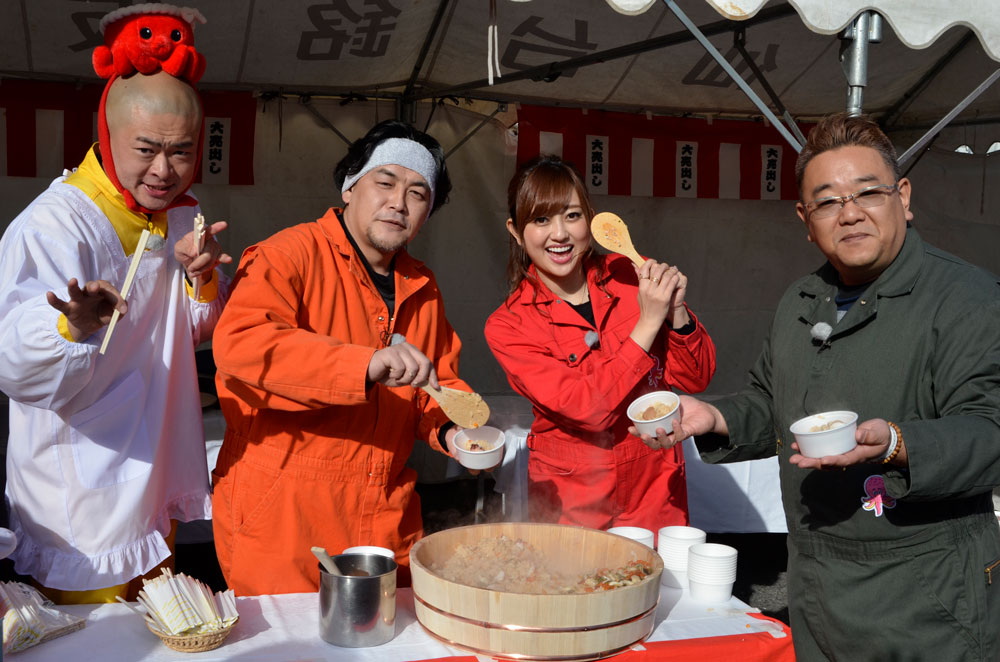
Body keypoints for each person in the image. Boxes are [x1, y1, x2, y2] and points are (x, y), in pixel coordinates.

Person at [643, 113, 1000, 660]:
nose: (850, 213)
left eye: (867, 193)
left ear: (903, 197)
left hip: (927, 598)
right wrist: (715, 419)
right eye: (828, 201)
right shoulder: (801, 301)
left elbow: (989, 429)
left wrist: (898, 444)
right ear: (805, 220)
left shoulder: (964, 298)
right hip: (815, 586)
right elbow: (772, 400)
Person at [0, 5, 230, 604]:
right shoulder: (54, 226)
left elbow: (192, 332)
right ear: (107, 133)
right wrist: (67, 325)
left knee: (162, 625)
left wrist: (200, 282)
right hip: (79, 483)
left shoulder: (180, 214)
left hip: (153, 466)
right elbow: (12, 362)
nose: (163, 170)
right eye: (147, 148)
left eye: (181, 152)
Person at [212, 119, 475, 595]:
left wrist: (452, 429)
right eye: (385, 182)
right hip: (284, 510)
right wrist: (363, 365)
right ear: (351, 186)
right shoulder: (288, 255)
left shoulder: (421, 284)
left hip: (385, 512)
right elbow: (243, 346)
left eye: (418, 193)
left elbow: (437, 380)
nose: (399, 202)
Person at [484, 156, 716, 531]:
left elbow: (696, 377)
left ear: (590, 219)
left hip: (653, 478)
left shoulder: (628, 275)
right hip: (571, 493)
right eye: (541, 220)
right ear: (516, 230)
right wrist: (650, 321)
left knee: (656, 585)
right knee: (576, 585)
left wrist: (676, 313)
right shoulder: (510, 324)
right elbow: (589, 410)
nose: (560, 234)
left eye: (572, 216)